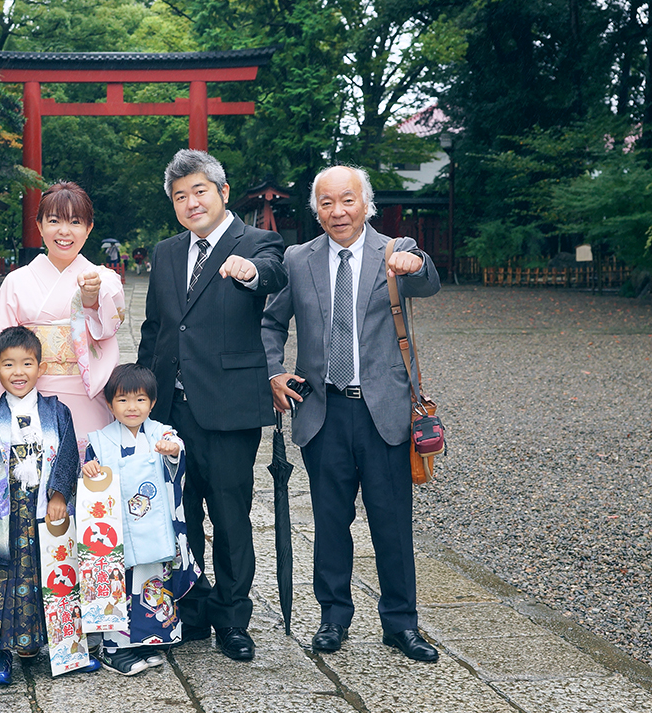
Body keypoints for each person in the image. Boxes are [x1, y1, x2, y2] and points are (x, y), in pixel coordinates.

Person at [261, 165, 441, 662]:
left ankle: (401, 624)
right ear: (315, 210)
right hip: (323, 410)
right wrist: (273, 371)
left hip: (383, 410)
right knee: (329, 521)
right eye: (326, 203)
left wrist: (414, 265)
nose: (337, 212)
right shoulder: (299, 259)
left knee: (391, 524)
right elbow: (271, 322)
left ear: (366, 205)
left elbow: (429, 281)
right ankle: (333, 617)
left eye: (347, 201)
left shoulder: (394, 249)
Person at [137, 149, 287, 661]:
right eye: (180, 196)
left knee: (230, 515)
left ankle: (232, 617)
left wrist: (246, 271)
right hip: (171, 410)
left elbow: (271, 273)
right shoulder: (166, 252)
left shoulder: (257, 242)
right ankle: (193, 610)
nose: (190, 201)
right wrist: (142, 397)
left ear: (223, 193)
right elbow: (157, 327)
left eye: (200, 190)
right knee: (180, 516)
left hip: (228, 408)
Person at [0, 326, 80, 686]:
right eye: (9, 364)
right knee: (1, 578)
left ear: (40, 369)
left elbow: (68, 453)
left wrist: (60, 494)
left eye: (27, 363)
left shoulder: (55, 410)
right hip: (5, 509)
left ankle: (45, 645)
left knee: (45, 573)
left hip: (43, 505)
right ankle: (0, 652)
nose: (18, 372)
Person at [0, 182, 125, 459]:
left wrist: (92, 298)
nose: (64, 231)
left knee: (89, 482)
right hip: (30, 395)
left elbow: (110, 321)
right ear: (39, 224)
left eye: (75, 222)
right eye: (54, 220)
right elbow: (3, 348)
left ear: (89, 228)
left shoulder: (102, 278)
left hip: (87, 394)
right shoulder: (16, 281)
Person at [81, 364, 199, 676]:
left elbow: (177, 452)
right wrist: (90, 469)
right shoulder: (100, 439)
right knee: (119, 584)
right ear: (109, 404)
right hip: (118, 530)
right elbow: (91, 472)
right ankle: (114, 648)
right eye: (122, 400)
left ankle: (149, 640)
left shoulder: (161, 432)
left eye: (140, 400)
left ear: (153, 402)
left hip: (154, 528)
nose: (132, 407)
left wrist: (173, 450)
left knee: (152, 582)